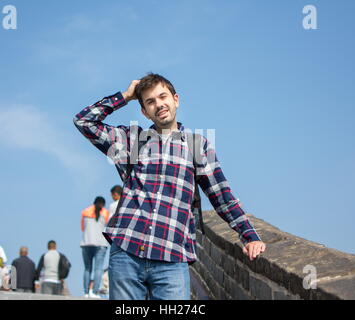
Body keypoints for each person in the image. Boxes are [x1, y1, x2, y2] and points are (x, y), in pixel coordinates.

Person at [73, 73, 267, 300]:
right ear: (144, 111)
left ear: (176, 99)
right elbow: (84, 121)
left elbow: (221, 195)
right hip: (127, 250)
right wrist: (124, 97)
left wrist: (249, 234)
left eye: (162, 97)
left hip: (172, 257)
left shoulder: (197, 145)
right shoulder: (131, 140)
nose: (159, 104)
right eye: (150, 101)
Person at [80, 196, 110, 298]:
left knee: (87, 268)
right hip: (101, 244)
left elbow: (82, 227)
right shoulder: (106, 213)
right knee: (98, 269)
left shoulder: (85, 212)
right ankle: (95, 292)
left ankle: (86, 292)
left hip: (86, 243)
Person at [99, 185, 123, 295]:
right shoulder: (127, 202)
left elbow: (110, 221)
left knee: (115, 262)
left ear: (115, 194)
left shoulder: (113, 205)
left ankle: (110, 287)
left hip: (115, 237)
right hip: (125, 237)